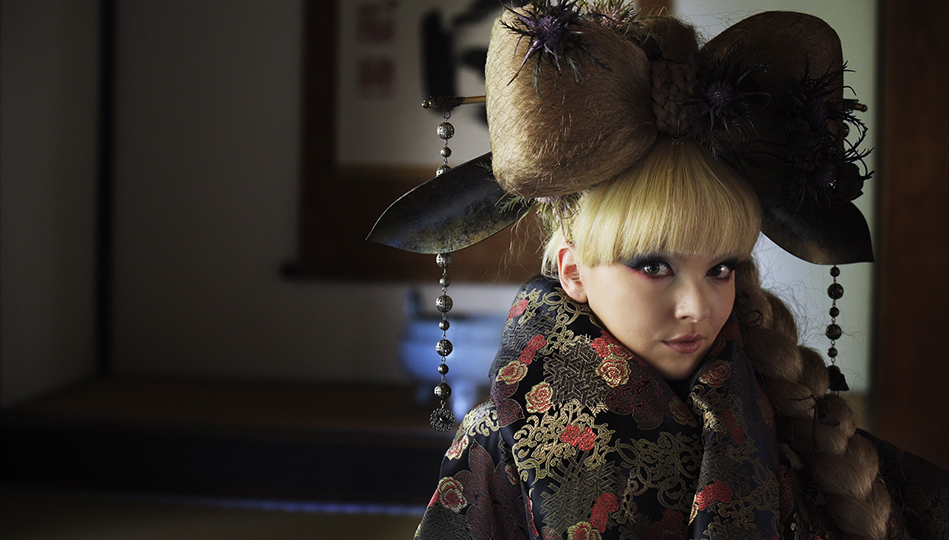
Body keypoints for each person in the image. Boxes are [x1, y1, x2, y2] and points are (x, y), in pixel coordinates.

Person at [369, 3, 949, 539]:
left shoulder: (785, 420)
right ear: (573, 270)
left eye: (721, 268)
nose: (697, 305)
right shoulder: (495, 439)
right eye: (653, 265)